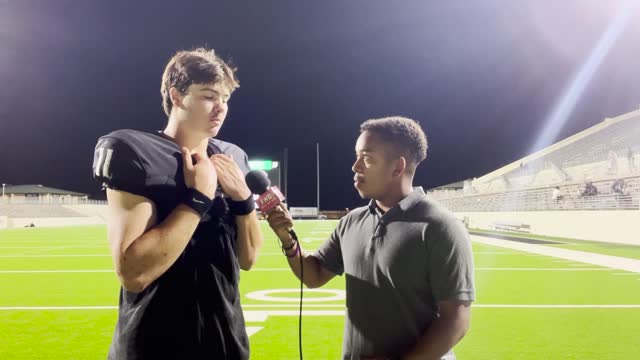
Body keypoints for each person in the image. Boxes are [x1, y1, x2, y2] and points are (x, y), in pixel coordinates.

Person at [92, 48, 263, 359]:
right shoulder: (136, 151)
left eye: (225, 99)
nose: (220, 108)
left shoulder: (232, 156)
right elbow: (133, 273)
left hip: (225, 342)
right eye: (209, 96)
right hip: (154, 343)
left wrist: (243, 200)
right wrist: (197, 199)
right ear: (177, 96)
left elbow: (249, 258)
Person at [267, 117, 475, 359]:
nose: (355, 166)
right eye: (356, 156)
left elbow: (456, 321)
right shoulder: (352, 221)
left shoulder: (440, 226)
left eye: (367, 158)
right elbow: (314, 276)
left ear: (397, 167)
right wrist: (287, 240)